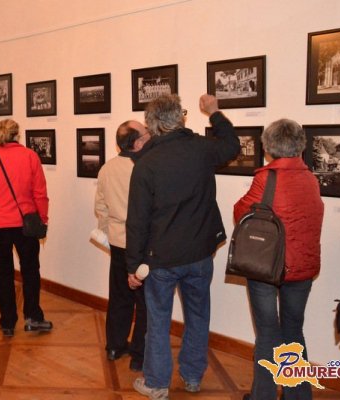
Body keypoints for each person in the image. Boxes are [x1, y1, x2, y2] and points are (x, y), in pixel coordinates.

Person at [126, 94, 240, 400]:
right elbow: (232, 145)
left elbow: (137, 221)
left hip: (161, 259)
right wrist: (215, 113)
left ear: (152, 125)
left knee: (158, 321)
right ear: (180, 117)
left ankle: (156, 383)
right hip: (199, 253)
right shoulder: (201, 148)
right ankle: (191, 377)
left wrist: (133, 266)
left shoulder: (146, 163)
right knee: (198, 316)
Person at [234, 120, 324, 400]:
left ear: (268, 146)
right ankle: (298, 396)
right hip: (303, 267)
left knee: (268, 333)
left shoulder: (266, 178)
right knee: (294, 331)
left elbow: (241, 212)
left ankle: (263, 396)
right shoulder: (311, 178)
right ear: (300, 145)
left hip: (267, 265)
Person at [0, 119, 51, 338]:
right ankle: (33, 317)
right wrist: (42, 219)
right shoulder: (30, 157)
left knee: (3, 272)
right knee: (30, 271)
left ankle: (7, 321)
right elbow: (40, 193)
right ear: (17, 135)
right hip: (24, 223)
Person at [95, 120, 150, 372]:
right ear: (137, 142)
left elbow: (101, 207)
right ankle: (139, 355)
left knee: (119, 296)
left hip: (118, 242)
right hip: (143, 244)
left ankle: (115, 346)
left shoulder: (107, 168)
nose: (150, 136)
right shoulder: (145, 167)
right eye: (147, 133)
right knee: (145, 301)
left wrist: (111, 233)